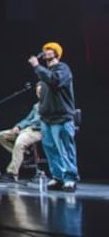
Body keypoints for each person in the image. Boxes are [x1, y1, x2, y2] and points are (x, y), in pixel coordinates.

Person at [28, 42, 79, 192]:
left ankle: (70, 178)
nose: (46, 52)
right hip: (47, 119)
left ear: (56, 53)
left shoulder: (63, 68)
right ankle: (57, 177)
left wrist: (37, 67)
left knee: (64, 149)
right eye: (45, 50)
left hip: (61, 117)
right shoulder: (45, 73)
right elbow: (44, 96)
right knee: (50, 149)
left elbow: (54, 81)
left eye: (50, 50)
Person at [0, 82, 44, 182]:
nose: (39, 94)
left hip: (38, 131)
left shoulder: (51, 105)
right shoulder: (36, 106)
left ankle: (13, 173)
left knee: (20, 141)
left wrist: (25, 130)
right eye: (37, 92)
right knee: (1, 135)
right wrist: (19, 126)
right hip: (27, 130)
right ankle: (24, 154)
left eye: (41, 92)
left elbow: (44, 122)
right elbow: (27, 119)